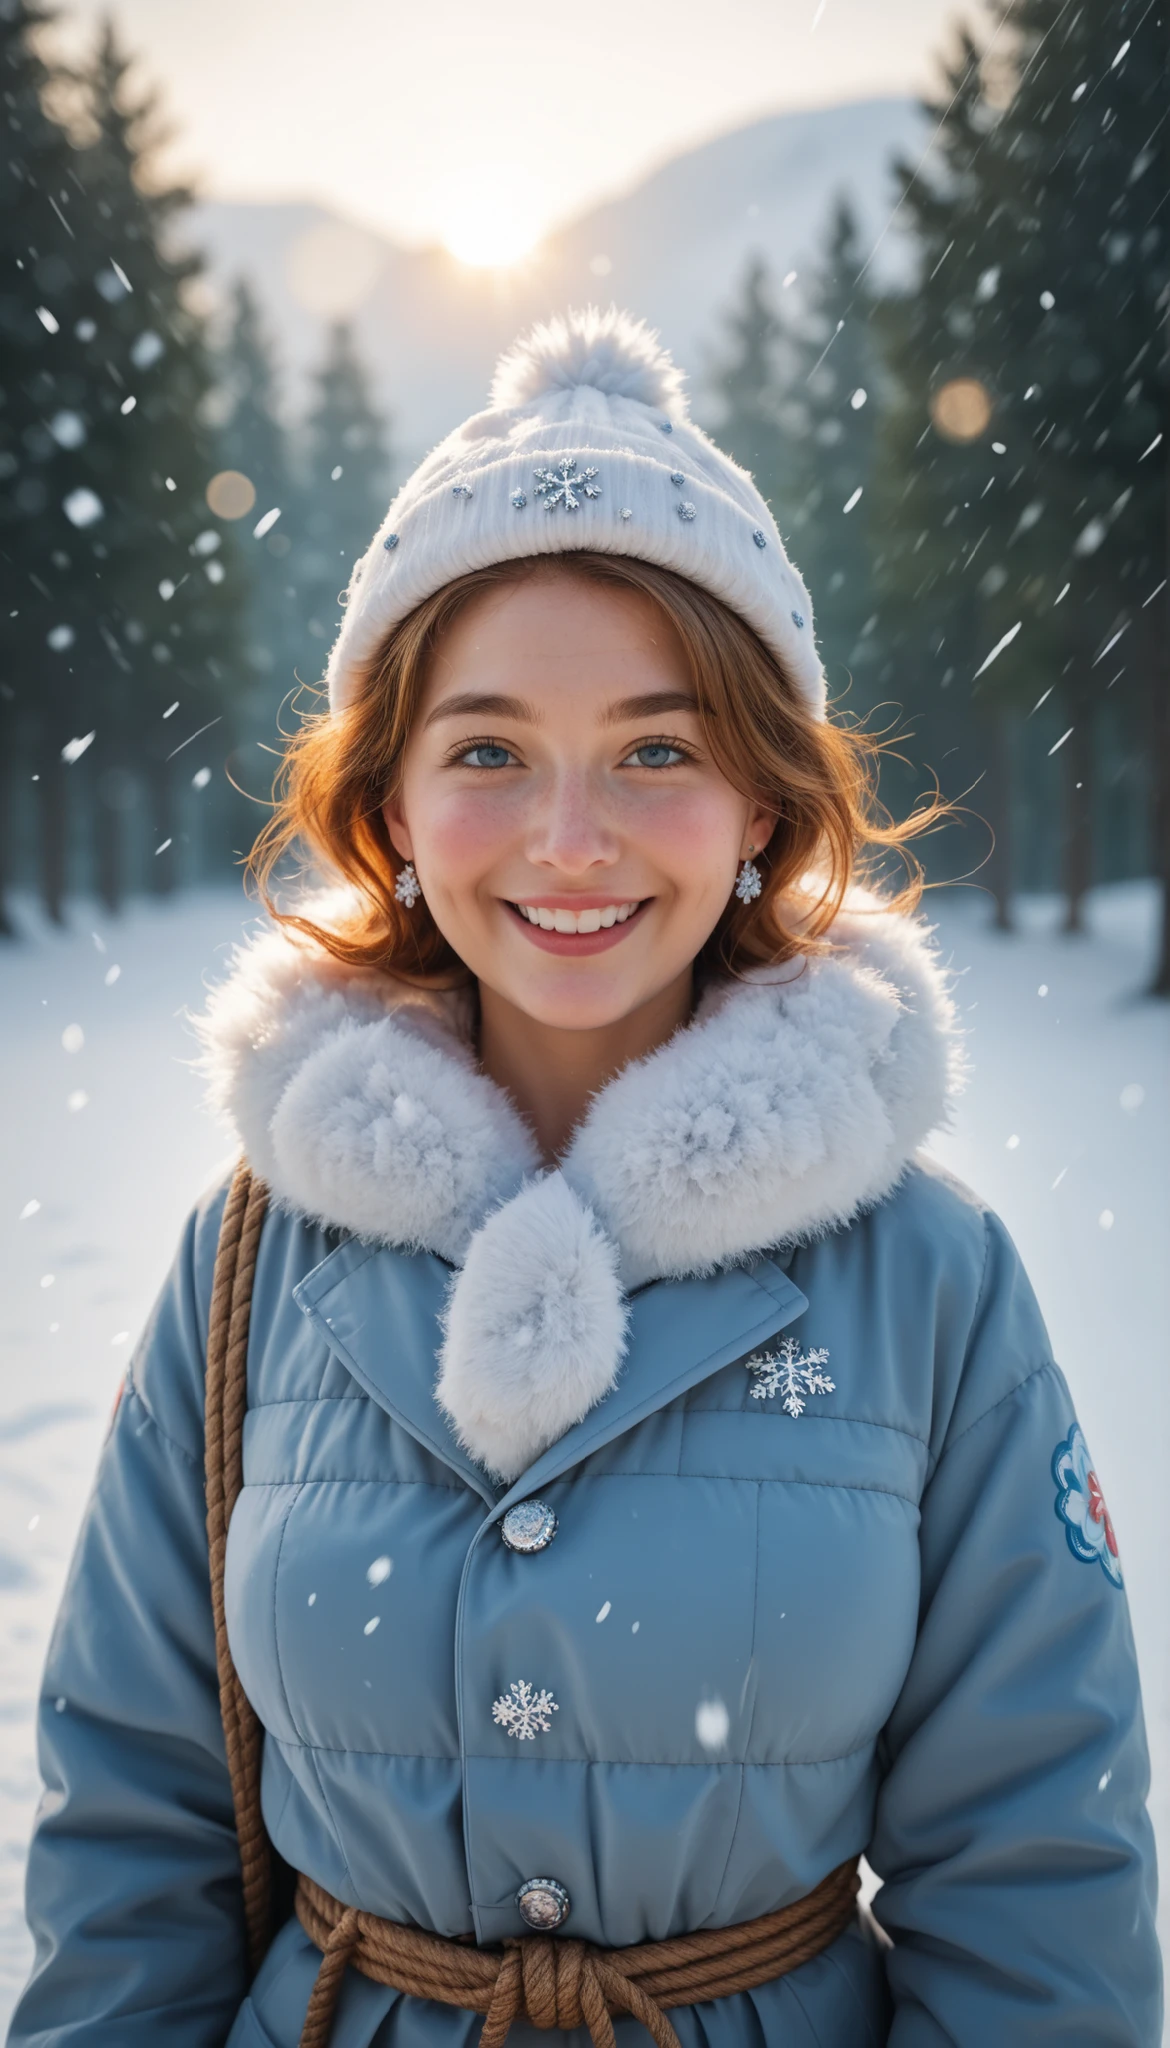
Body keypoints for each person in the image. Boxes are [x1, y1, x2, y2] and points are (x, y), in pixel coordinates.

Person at [9, 307, 1160, 2048]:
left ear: (761, 802)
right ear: (387, 802)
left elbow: (1035, 1877)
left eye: (656, 747)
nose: (568, 838)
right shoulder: (242, 1265)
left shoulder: (928, 1279)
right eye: (484, 751)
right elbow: (132, 1830)